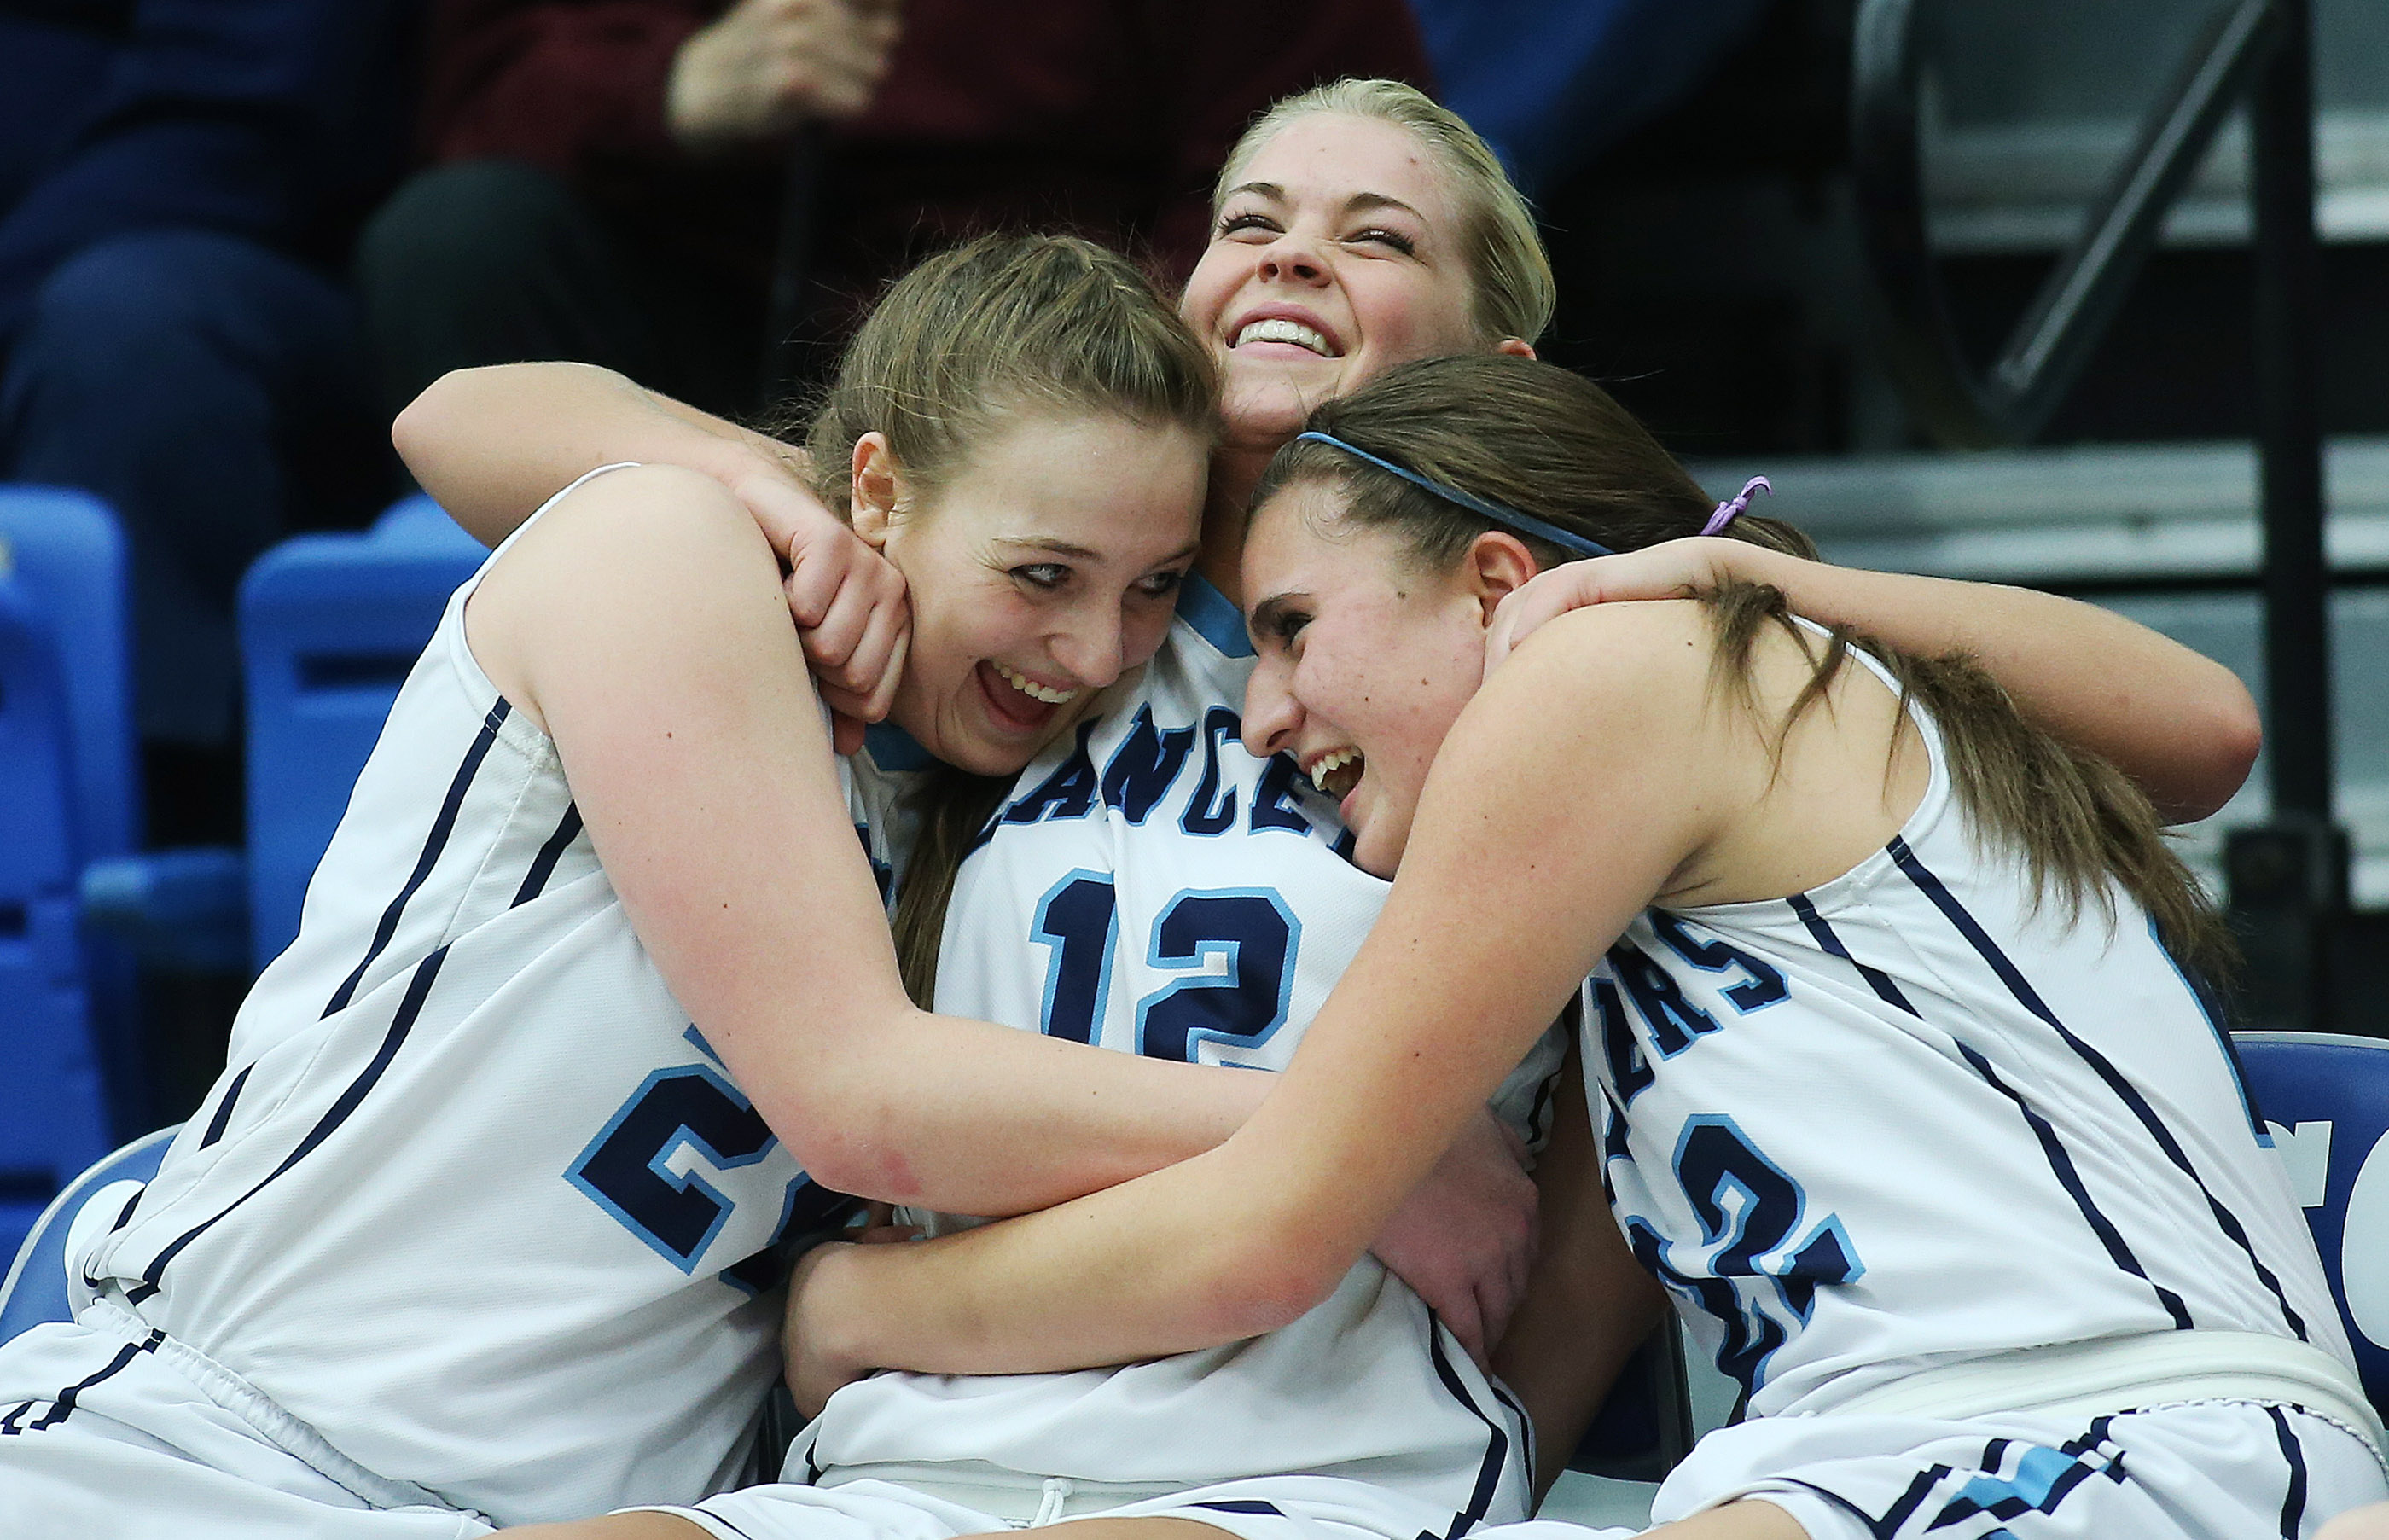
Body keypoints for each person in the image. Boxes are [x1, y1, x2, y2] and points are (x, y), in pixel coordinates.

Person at [0, 233, 1512, 1539]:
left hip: (582, 1514)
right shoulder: (675, 549)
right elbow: (858, 1098)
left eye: (1151, 586)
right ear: (870, 489)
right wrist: (1358, 1145)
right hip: (210, 1449)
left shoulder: (1016, 777)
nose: (1094, 654)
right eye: (1043, 574)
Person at [763, 351, 2389, 1539]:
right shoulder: (1647, 876)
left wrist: (849, 1313)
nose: (1259, 715)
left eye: (1293, 629)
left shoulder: (1610, 679)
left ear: (1495, 583)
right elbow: (2202, 730)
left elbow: (1261, 1234)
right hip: (1874, 1457)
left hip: (2090, 1429)